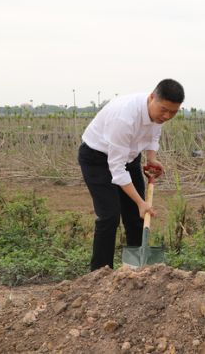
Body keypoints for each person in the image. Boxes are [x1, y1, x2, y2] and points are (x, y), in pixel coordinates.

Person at [78, 79, 185, 271]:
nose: (167, 116)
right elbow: (117, 168)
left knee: (137, 216)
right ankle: (100, 274)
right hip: (97, 159)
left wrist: (151, 158)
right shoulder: (124, 118)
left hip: (128, 157)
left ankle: (137, 271)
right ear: (152, 98)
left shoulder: (159, 113)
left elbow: (154, 133)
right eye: (163, 110)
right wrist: (140, 201)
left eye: (173, 112)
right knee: (109, 216)